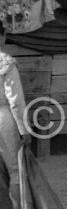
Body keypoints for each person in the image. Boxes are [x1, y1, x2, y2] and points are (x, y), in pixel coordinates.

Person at [0, 49, 32, 209]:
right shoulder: (5, 61)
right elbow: (15, 99)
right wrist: (24, 128)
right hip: (3, 117)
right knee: (14, 170)